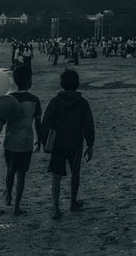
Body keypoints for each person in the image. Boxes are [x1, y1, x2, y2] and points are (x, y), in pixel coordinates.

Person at [41, 70, 95, 220]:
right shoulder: (82, 103)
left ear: (62, 84)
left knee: (56, 176)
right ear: (77, 84)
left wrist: (45, 142)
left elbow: (46, 123)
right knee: (75, 173)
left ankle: (56, 208)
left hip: (58, 144)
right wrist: (90, 144)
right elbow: (88, 125)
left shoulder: (55, 102)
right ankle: (73, 202)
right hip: (75, 143)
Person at [4, 64, 42, 216]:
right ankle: (17, 206)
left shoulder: (9, 98)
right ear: (30, 81)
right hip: (25, 142)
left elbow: (2, 119)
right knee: (21, 175)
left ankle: (8, 195)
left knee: (10, 170)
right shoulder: (34, 100)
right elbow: (38, 123)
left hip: (10, 140)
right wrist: (40, 140)